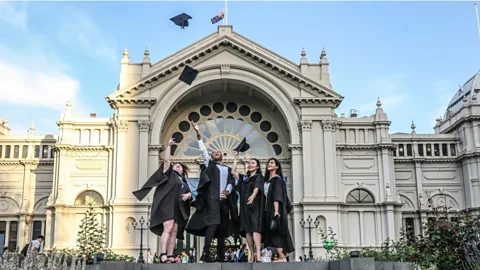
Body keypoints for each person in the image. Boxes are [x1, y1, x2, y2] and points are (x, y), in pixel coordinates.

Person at [132, 138, 193, 263]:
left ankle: (170, 256)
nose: (178, 166)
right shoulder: (169, 173)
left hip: (178, 207)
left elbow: (188, 194)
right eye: (176, 165)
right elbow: (166, 160)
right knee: (168, 228)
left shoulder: (184, 182)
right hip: (167, 205)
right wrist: (169, 146)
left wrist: (189, 195)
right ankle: (163, 254)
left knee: (174, 230)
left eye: (180, 166)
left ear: (183, 171)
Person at [185, 121, 237, 263]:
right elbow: (203, 151)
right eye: (213, 153)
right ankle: (205, 253)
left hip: (224, 202)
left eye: (217, 153)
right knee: (212, 225)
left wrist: (227, 191)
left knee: (222, 228)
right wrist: (198, 133)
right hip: (212, 200)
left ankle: (221, 256)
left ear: (222, 156)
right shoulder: (209, 165)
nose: (215, 153)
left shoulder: (227, 169)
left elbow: (232, 182)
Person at [232, 152, 265, 263]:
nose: (250, 165)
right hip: (245, 207)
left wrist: (253, 196)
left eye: (253, 163)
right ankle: (252, 254)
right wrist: (236, 159)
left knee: (255, 228)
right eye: (249, 163)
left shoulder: (259, 177)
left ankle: (258, 254)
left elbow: (257, 187)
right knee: (247, 231)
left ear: (257, 166)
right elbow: (233, 172)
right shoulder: (244, 178)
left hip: (255, 206)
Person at [263, 158, 294, 263]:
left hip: (275, 210)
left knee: (277, 232)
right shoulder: (267, 181)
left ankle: (282, 257)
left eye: (272, 163)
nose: (269, 164)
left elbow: (277, 196)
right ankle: (278, 255)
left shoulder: (277, 180)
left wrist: (276, 211)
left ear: (277, 166)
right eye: (268, 163)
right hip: (268, 210)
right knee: (272, 233)